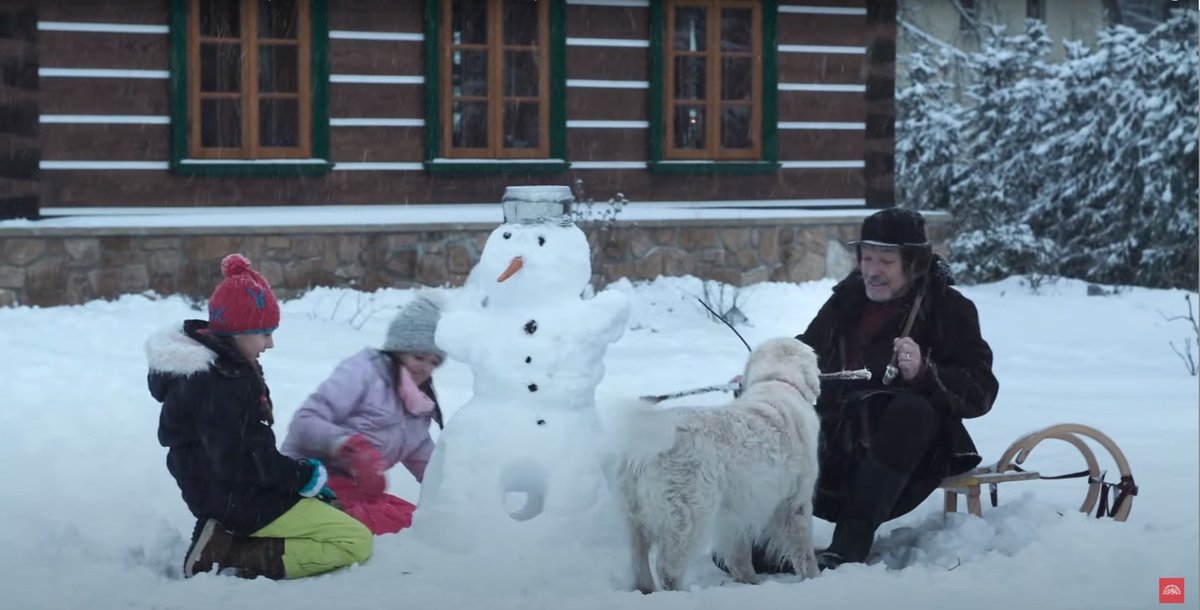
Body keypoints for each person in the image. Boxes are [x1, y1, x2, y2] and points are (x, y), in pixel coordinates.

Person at [745, 207, 999, 572]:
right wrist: (768, 374)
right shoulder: (845, 301)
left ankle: (849, 547)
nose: (872, 270)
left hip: (908, 456)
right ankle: (759, 546)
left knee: (911, 411)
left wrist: (924, 373)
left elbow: (981, 388)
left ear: (913, 263)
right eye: (867, 258)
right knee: (770, 411)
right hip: (835, 448)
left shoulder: (949, 308)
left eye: (886, 260)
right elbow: (808, 350)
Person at [146, 253, 373, 580]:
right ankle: (229, 554)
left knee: (330, 514)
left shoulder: (225, 370)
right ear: (237, 331)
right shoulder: (217, 383)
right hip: (234, 496)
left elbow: (242, 450)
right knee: (355, 541)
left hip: (227, 492)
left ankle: (225, 535)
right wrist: (301, 478)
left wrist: (295, 480)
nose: (271, 343)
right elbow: (239, 460)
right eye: (264, 332)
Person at [281, 294, 446, 535]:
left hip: (355, 493)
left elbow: (428, 465)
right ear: (398, 349)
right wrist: (349, 447)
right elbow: (304, 422)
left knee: (417, 522)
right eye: (418, 357)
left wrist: (455, 489)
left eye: (434, 362)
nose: (425, 368)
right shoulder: (363, 372)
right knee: (390, 526)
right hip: (309, 481)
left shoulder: (418, 405)